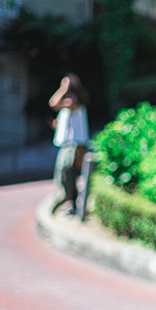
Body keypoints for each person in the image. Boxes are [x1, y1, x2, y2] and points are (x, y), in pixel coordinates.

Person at [48, 74, 89, 216]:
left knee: (67, 174)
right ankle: (72, 204)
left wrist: (63, 88)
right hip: (68, 146)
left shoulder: (74, 103)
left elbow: (53, 103)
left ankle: (72, 204)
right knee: (68, 176)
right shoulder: (70, 105)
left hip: (74, 147)